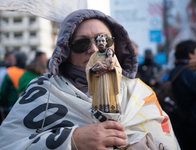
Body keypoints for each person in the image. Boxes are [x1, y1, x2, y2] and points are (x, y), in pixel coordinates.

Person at [0, 9, 179, 150]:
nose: (94, 49)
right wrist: (72, 140)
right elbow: (7, 144)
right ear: (65, 51)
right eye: (81, 43)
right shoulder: (43, 90)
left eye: (104, 40)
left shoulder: (140, 92)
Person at [168, 40, 196, 150]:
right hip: (193, 126)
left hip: (180, 122)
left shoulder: (175, 70)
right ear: (190, 55)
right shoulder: (191, 72)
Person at [86, 34, 122, 113]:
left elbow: (119, 68)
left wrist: (112, 69)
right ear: (96, 43)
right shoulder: (94, 56)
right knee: (99, 99)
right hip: (98, 82)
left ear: (106, 42)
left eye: (102, 41)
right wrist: (93, 69)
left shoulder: (112, 55)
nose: (100, 43)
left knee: (110, 98)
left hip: (109, 83)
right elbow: (88, 68)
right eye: (98, 41)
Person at [0, 51, 27, 120]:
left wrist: (3, 104)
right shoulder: (29, 73)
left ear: (15, 60)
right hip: (25, 106)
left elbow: (3, 91)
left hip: (10, 105)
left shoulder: (9, 72)